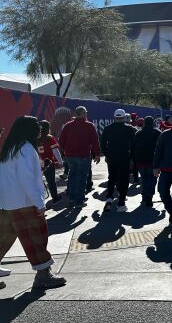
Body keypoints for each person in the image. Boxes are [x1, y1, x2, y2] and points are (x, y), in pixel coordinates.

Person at [0, 116, 67, 289]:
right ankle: (43, 274)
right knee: (36, 238)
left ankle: (43, 273)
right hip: (25, 203)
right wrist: (39, 203)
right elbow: (26, 179)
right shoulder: (26, 148)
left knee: (4, 239)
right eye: (36, 125)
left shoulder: (10, 148)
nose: (40, 128)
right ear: (27, 129)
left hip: (9, 203)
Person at [59, 106, 101, 208]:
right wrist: (98, 154)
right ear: (82, 113)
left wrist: (64, 152)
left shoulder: (68, 125)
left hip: (70, 156)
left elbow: (61, 141)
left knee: (72, 175)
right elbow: (95, 141)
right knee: (82, 178)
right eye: (85, 113)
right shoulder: (89, 126)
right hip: (83, 155)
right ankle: (79, 201)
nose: (86, 114)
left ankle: (71, 199)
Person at [101, 109, 136, 213]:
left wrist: (107, 154)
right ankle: (121, 203)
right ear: (124, 117)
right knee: (124, 179)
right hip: (124, 157)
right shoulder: (129, 129)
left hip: (112, 157)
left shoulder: (108, 128)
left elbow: (102, 144)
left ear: (114, 117)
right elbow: (134, 145)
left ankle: (109, 199)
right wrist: (131, 157)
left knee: (112, 177)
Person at [133, 116, 162, 207]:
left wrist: (134, 160)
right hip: (153, 161)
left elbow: (133, 147)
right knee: (152, 180)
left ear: (144, 123)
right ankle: (148, 196)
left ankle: (145, 195)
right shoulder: (158, 132)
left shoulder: (138, 133)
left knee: (144, 179)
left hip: (140, 161)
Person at [37, 120, 64, 204]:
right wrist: (60, 162)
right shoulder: (50, 138)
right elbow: (56, 151)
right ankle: (55, 198)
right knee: (51, 181)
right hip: (49, 163)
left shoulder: (35, 138)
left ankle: (39, 201)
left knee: (38, 182)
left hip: (38, 163)